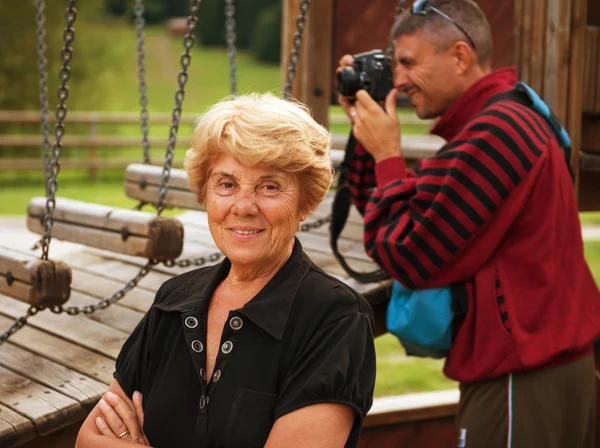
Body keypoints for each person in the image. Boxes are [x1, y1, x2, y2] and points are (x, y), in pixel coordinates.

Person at [337, 0, 600, 447]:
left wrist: (387, 155)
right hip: (542, 368)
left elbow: (409, 253)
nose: (398, 81)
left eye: (408, 63)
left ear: (460, 56)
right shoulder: (508, 117)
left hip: (521, 378)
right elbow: (399, 209)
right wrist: (367, 131)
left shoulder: (495, 135)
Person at [75, 93, 377, 448]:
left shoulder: (336, 318)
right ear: (206, 191)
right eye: (227, 184)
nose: (244, 206)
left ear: (306, 202)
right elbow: (88, 440)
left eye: (269, 186)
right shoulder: (174, 300)